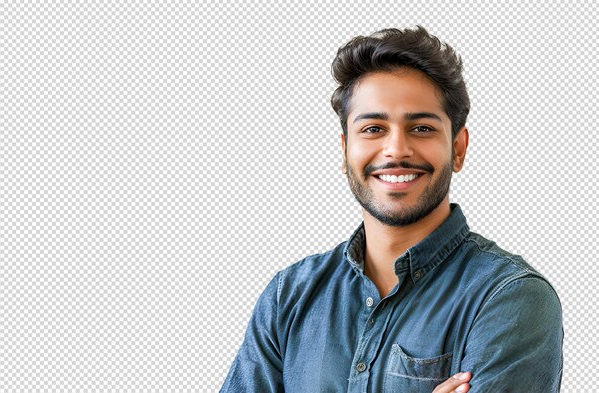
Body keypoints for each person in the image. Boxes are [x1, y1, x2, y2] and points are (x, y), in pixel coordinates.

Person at [220, 26, 563, 392]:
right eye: (372, 128)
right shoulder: (288, 297)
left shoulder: (510, 297)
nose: (396, 150)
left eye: (421, 128)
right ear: (345, 149)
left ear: (458, 148)